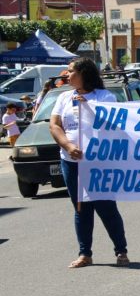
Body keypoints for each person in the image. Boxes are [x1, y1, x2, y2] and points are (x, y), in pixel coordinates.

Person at [49, 58, 129, 268]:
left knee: (106, 207)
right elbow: (55, 125)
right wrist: (68, 146)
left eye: (71, 71)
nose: (67, 75)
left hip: (99, 163)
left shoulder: (105, 96)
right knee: (81, 208)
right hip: (71, 162)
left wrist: (90, 108)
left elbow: (115, 125)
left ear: (84, 73)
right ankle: (85, 254)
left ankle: (121, 251)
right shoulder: (64, 97)